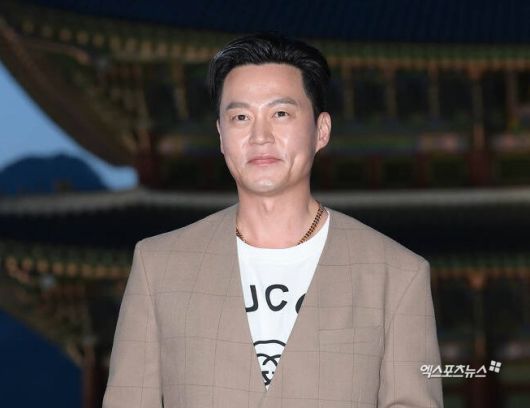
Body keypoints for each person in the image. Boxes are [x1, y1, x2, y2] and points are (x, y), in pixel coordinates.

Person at [103, 33, 443, 408]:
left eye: (280, 114)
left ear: (321, 131)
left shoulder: (396, 275)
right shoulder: (159, 267)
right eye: (240, 117)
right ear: (221, 135)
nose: (260, 137)